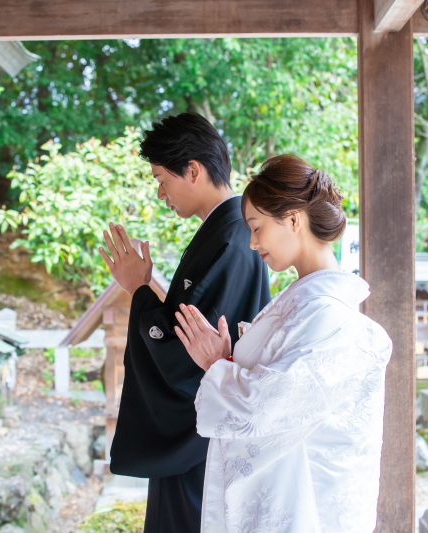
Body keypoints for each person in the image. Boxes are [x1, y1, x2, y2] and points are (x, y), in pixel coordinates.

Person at [174, 155, 393, 533]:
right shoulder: (303, 304)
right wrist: (230, 358)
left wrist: (216, 364)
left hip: (305, 505)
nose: (253, 241)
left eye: (257, 227)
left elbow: (271, 406)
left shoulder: (327, 315)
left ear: (293, 220)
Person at [99, 112, 271, 533]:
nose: (160, 193)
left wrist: (139, 288)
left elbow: (183, 353)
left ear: (192, 170)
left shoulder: (231, 240)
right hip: (205, 433)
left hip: (201, 442)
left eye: (162, 179)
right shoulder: (227, 233)